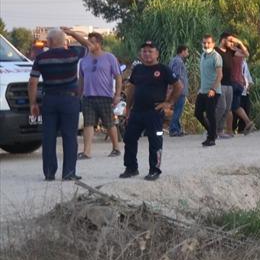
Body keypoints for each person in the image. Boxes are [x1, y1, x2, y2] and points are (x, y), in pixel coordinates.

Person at [27, 27, 87, 181]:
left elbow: (33, 82)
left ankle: (49, 173)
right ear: (63, 40)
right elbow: (89, 46)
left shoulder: (41, 58)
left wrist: (33, 103)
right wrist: (73, 34)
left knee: (48, 137)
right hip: (70, 100)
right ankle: (68, 173)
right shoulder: (73, 54)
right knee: (69, 136)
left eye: (47, 40)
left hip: (50, 100)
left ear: (51, 41)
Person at [119, 41, 183, 180]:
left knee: (155, 141)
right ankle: (131, 168)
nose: (147, 53)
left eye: (150, 51)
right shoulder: (137, 69)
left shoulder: (163, 69)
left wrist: (169, 103)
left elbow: (179, 86)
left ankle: (154, 169)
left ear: (156, 54)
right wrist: (128, 108)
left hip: (154, 112)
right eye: (144, 51)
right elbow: (131, 89)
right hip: (137, 111)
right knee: (129, 139)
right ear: (140, 54)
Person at [64, 27, 122, 158]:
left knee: (109, 122)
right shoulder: (84, 60)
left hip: (105, 96)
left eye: (92, 42)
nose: (89, 44)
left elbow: (118, 76)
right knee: (88, 123)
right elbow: (81, 80)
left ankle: (116, 148)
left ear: (99, 43)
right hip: (88, 96)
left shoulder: (109, 58)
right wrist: (78, 95)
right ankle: (87, 151)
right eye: (88, 42)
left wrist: (117, 94)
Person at [197, 34, 222, 146]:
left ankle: (211, 138)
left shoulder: (216, 56)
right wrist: (200, 88)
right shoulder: (203, 55)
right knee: (197, 113)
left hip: (213, 90)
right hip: (202, 90)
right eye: (204, 43)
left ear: (213, 44)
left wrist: (213, 88)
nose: (206, 45)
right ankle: (212, 132)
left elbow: (219, 75)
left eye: (208, 43)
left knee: (210, 114)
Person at [167, 44, 188, 137]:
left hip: (178, 90)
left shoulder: (174, 60)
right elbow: (176, 76)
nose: (187, 53)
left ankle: (177, 128)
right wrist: (177, 88)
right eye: (187, 51)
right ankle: (173, 129)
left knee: (177, 109)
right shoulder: (178, 61)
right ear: (182, 51)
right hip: (179, 90)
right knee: (178, 110)